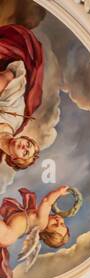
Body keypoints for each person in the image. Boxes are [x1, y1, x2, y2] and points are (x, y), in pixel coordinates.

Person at [0, 185, 71, 278]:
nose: (58, 220)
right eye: (62, 224)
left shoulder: (42, 222)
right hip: (7, 234)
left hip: (7, 234)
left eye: (55, 225)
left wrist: (59, 192)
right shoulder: (40, 222)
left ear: (46, 232)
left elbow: (47, 201)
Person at [0, 23, 43, 172]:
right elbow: (11, 78)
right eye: (28, 145)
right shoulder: (16, 117)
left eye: (25, 153)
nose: (24, 147)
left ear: (14, 159)